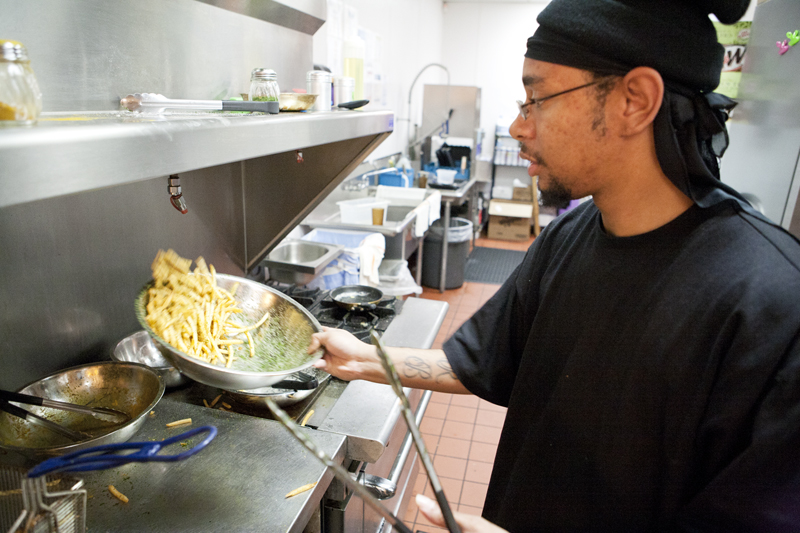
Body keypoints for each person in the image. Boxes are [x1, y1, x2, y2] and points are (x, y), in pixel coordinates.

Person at [309, 0, 800, 531]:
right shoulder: (571, 235)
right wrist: (366, 359)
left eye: (537, 98)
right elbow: (491, 359)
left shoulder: (773, 308)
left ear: (635, 100)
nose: (519, 127)